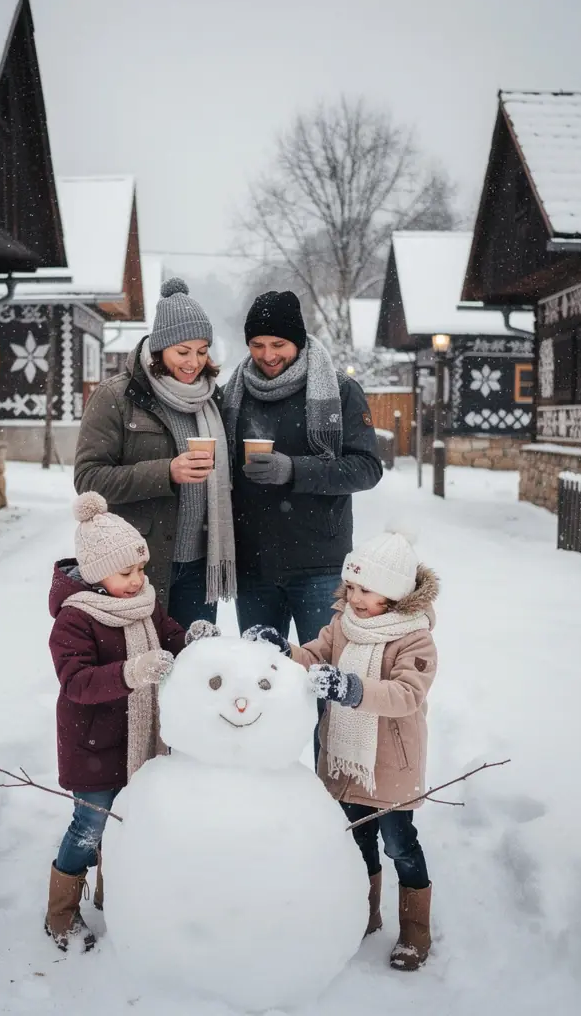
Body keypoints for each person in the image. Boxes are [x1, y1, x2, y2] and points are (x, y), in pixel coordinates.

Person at [248, 526, 439, 972]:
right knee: (356, 843)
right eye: (350, 586)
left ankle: (415, 931)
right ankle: (363, 916)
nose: (353, 596)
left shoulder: (415, 638)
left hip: (389, 766)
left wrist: (352, 689)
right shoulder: (342, 626)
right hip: (344, 761)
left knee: (399, 845)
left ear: (393, 594)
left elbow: (406, 694)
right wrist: (285, 651)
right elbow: (315, 656)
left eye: (365, 589)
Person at [44, 491, 188, 953]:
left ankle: (115, 896)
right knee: (89, 827)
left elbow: (171, 638)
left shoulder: (144, 602)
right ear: (94, 573)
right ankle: (61, 913)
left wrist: (193, 641)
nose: (138, 579)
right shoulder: (75, 620)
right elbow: (77, 681)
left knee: (128, 822)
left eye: (140, 569)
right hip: (93, 745)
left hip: (140, 739)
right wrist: (133, 672)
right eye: (126, 572)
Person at [222, 289, 382, 648]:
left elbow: (367, 468)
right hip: (253, 565)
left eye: (278, 343)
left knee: (325, 677)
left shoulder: (340, 391)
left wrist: (294, 470)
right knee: (261, 680)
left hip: (319, 566)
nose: (268, 355)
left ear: (298, 341)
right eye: (257, 344)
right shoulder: (234, 394)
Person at [74, 277, 236, 630]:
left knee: (193, 668)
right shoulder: (117, 397)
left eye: (202, 350)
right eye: (183, 351)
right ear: (160, 348)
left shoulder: (211, 399)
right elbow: (88, 480)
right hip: (137, 563)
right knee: (144, 671)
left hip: (199, 563)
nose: (194, 362)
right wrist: (167, 472)